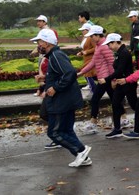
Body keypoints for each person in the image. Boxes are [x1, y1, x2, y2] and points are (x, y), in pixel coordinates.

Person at [31, 29, 92, 167]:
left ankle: (81, 150)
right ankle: (83, 157)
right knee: (67, 130)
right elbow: (62, 74)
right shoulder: (54, 56)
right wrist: (46, 78)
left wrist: (55, 87)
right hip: (66, 98)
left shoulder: (56, 55)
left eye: (38, 42)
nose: (37, 45)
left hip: (62, 99)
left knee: (54, 132)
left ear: (46, 43)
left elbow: (70, 73)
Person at [77, 25, 123, 133]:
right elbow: (93, 62)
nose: (91, 38)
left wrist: (113, 79)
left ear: (98, 35)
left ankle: (93, 123)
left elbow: (111, 63)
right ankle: (124, 119)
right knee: (114, 99)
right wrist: (81, 72)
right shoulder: (99, 45)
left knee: (94, 100)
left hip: (105, 78)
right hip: (103, 77)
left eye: (92, 36)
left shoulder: (104, 46)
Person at [102, 33, 137, 139]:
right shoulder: (118, 53)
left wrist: (106, 79)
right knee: (115, 104)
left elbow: (119, 70)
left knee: (135, 105)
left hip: (128, 83)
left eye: (109, 44)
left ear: (115, 42)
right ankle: (117, 129)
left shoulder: (124, 53)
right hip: (120, 83)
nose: (108, 47)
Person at [76, 23, 97, 93]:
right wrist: (81, 53)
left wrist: (87, 52)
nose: (82, 31)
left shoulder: (90, 38)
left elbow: (95, 48)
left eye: (83, 30)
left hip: (91, 58)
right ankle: (98, 85)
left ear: (88, 30)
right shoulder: (84, 37)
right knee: (91, 74)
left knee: (87, 73)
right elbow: (84, 48)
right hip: (86, 59)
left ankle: (93, 89)